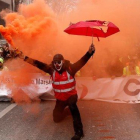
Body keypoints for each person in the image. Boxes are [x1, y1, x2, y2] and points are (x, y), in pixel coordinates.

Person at [18, 44, 95, 140]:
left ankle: (79, 132)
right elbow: (38, 64)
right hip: (60, 99)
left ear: (63, 61)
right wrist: (24, 57)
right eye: (54, 62)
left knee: (73, 107)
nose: (56, 65)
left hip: (71, 96)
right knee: (56, 119)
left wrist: (89, 52)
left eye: (58, 62)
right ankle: (66, 112)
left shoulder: (71, 69)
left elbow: (82, 61)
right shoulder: (51, 70)